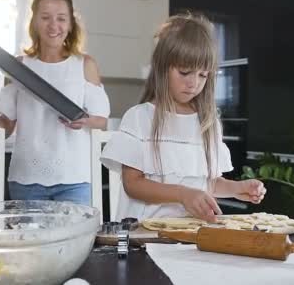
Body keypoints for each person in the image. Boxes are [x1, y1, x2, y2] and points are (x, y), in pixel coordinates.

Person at [100, 13, 265, 222]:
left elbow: (208, 183)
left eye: (202, 75)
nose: (193, 83)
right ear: (162, 68)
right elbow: (132, 184)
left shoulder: (208, 123)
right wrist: (182, 194)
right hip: (143, 235)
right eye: (185, 72)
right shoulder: (139, 118)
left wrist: (236, 188)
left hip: (189, 236)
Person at [0, 0, 110, 205]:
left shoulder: (85, 65)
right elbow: (7, 125)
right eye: (45, 17)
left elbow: (101, 121)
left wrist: (84, 120)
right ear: (35, 22)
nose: (53, 25)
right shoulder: (18, 67)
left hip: (74, 180)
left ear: (70, 24)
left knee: (74, 240)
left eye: (61, 18)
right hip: (26, 180)